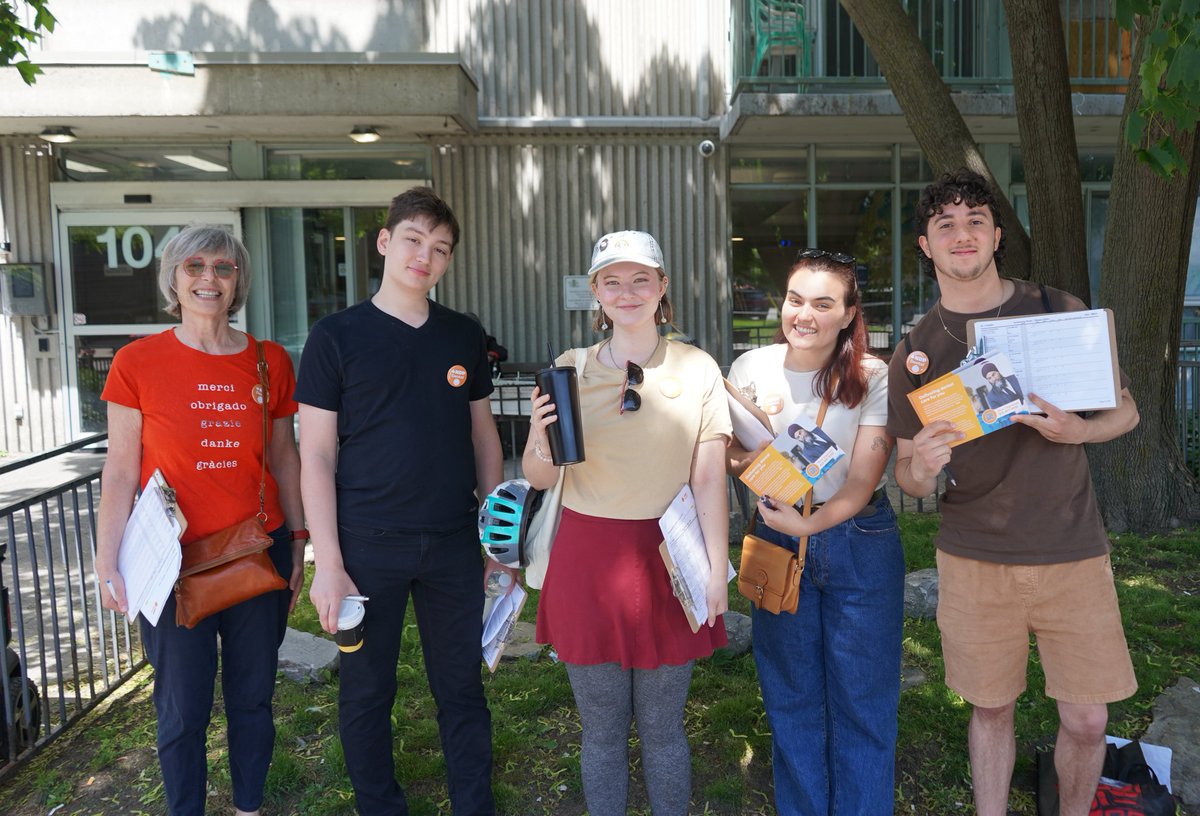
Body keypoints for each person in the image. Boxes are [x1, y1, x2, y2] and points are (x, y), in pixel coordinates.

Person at [887, 169, 1140, 816]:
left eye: (976, 220)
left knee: (1086, 720)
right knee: (992, 707)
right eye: (946, 224)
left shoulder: (1058, 311)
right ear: (926, 246)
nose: (962, 234)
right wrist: (925, 462)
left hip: (1072, 551)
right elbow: (908, 477)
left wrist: (1076, 432)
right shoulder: (915, 353)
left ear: (998, 235)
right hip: (975, 558)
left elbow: (1128, 413)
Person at [296, 187, 503, 816]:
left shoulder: (463, 335)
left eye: (440, 248)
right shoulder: (335, 337)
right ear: (385, 242)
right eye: (413, 239)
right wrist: (328, 563)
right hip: (365, 549)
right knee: (366, 693)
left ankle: (474, 804)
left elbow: (485, 440)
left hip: (452, 545)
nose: (426, 256)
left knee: (462, 689)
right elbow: (317, 456)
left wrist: (496, 540)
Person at [94, 225, 306, 816]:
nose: (208, 278)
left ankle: (247, 807)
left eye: (223, 267)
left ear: (238, 280)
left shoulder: (270, 361)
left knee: (252, 701)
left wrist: (299, 540)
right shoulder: (138, 361)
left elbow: (284, 456)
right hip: (170, 566)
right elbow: (119, 470)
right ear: (174, 278)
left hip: (251, 558)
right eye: (194, 267)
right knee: (182, 707)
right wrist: (106, 559)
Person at [525, 229, 731, 816]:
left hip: (669, 558)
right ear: (596, 293)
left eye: (642, 278)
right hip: (587, 563)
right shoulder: (570, 369)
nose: (628, 291)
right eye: (612, 281)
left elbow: (710, 477)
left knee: (665, 731)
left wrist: (717, 569)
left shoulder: (697, 368)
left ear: (663, 288)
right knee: (602, 733)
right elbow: (541, 478)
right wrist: (538, 437)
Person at [727, 248, 903, 816]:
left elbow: (862, 479)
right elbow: (729, 453)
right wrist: (753, 463)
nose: (804, 314)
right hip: (776, 537)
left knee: (864, 704)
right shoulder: (749, 368)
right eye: (795, 299)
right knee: (791, 702)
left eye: (823, 303)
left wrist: (811, 523)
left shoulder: (874, 376)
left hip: (858, 540)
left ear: (850, 312)